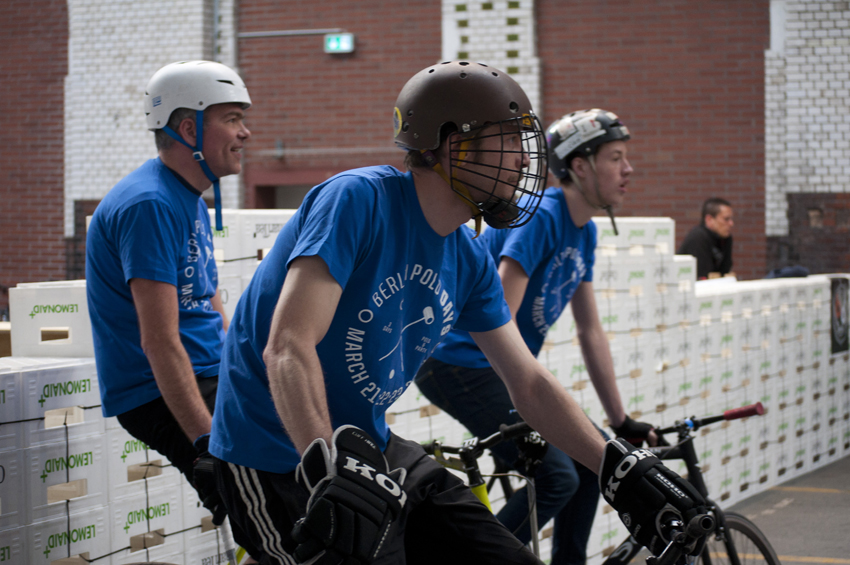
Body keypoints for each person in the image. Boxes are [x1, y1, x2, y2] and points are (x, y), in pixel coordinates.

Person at [208, 62, 706, 565]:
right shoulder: (358, 200)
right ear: (455, 145)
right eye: (508, 140)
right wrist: (327, 466)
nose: (523, 160)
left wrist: (615, 467)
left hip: (372, 451)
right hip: (273, 458)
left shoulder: (469, 258)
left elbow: (528, 382)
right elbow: (288, 346)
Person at [414, 109, 661, 565]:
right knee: (557, 478)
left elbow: (590, 331)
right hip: (459, 363)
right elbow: (500, 318)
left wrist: (619, 420)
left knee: (595, 463)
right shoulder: (542, 217)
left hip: (489, 368)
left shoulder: (584, 232)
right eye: (616, 158)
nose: (628, 169)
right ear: (580, 165)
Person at [86, 60, 251, 525]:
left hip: (209, 370)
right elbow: (159, 339)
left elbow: (207, 296)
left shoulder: (186, 196)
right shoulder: (150, 204)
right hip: (161, 389)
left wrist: (242, 366)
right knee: (268, 503)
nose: (245, 133)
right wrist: (207, 443)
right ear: (189, 129)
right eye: (232, 119)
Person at [677, 197, 734, 279]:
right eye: (726, 219)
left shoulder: (725, 238)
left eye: (731, 219)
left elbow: (725, 271)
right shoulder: (698, 237)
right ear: (709, 219)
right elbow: (702, 276)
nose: (731, 223)